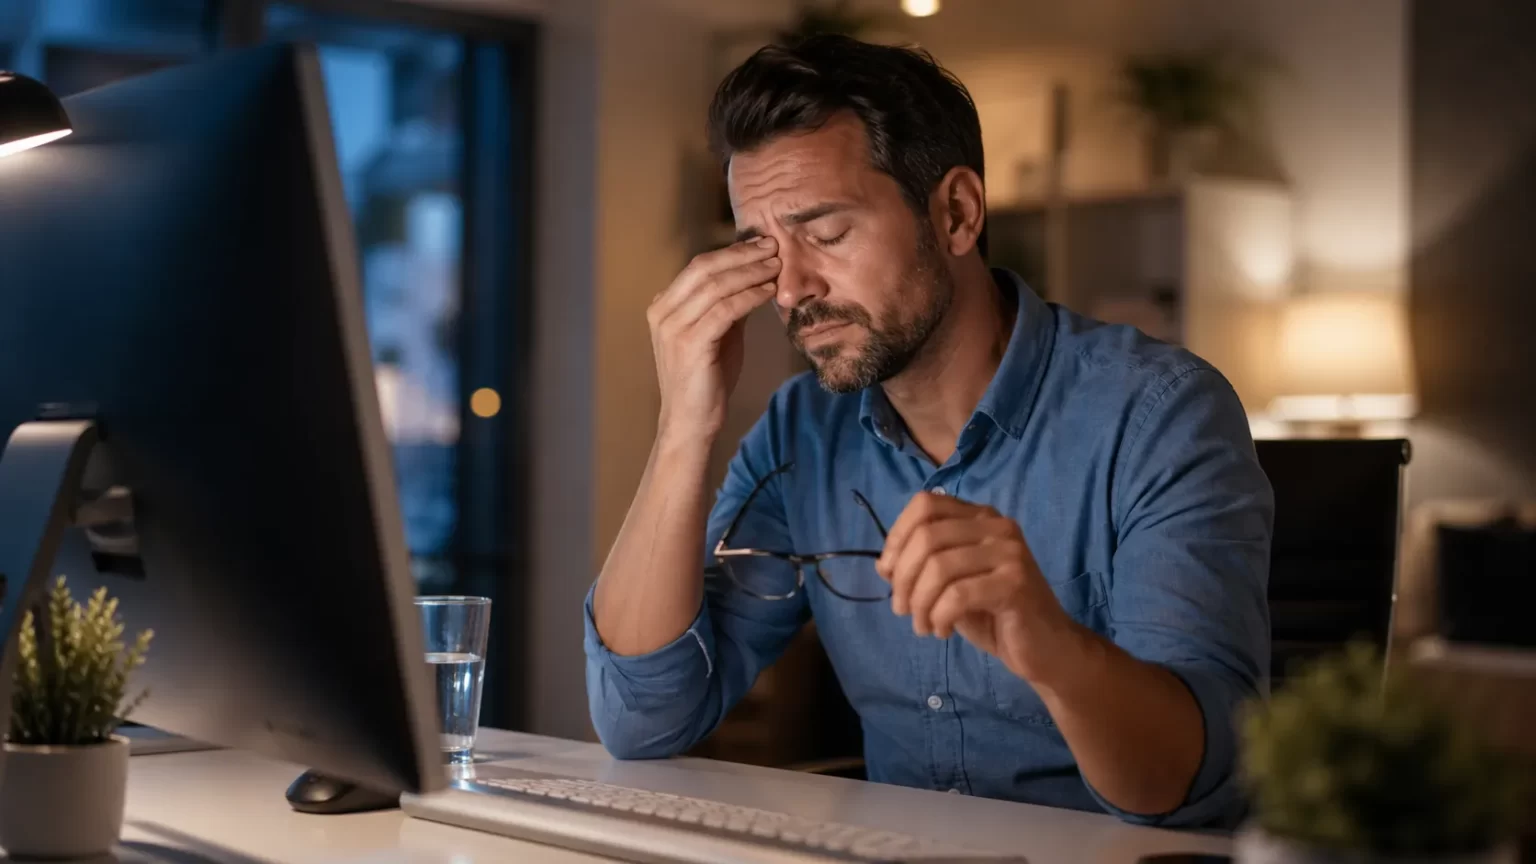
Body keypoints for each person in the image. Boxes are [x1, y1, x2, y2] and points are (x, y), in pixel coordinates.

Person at [583, 34, 1272, 829]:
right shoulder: (800, 433)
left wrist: (1048, 643)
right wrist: (683, 426)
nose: (792, 289)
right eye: (761, 248)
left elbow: (1185, 782)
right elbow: (643, 719)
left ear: (956, 213)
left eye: (828, 234)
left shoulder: (1161, 416)